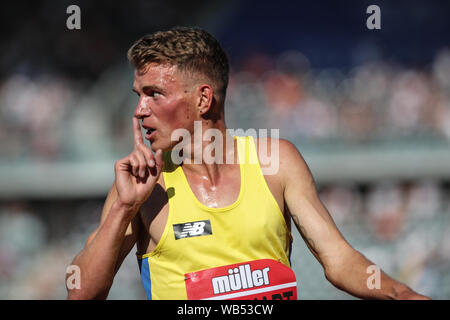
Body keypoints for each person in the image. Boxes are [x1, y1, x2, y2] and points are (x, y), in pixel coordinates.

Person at [66, 26, 429, 300]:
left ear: (203, 99)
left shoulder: (276, 163)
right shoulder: (142, 187)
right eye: (139, 95)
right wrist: (124, 210)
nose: (139, 110)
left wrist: (403, 295)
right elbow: (80, 292)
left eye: (154, 94)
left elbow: (339, 260)